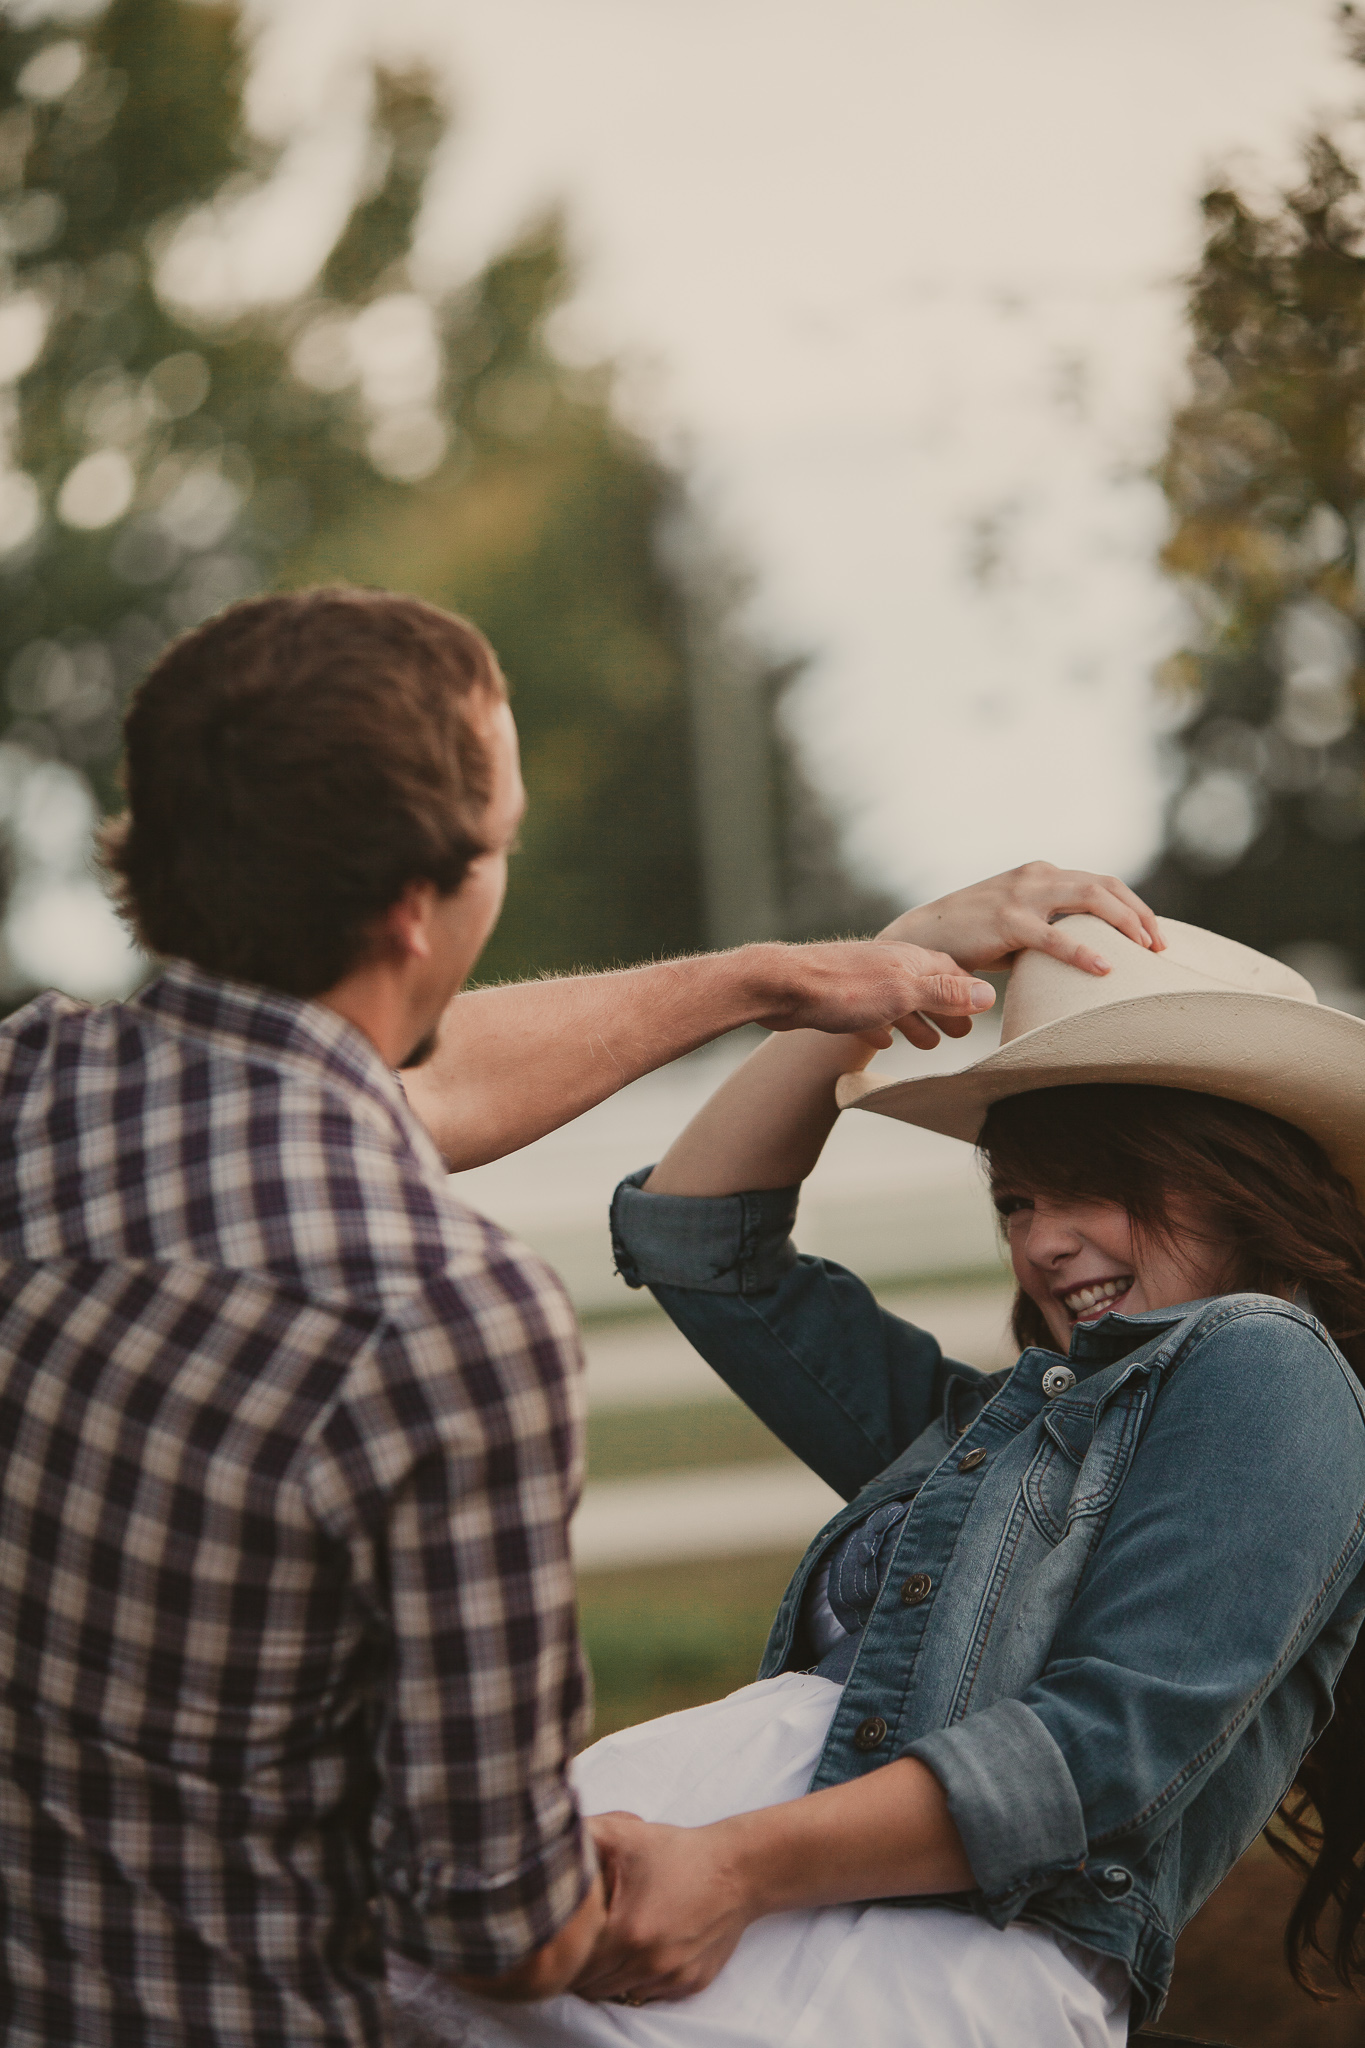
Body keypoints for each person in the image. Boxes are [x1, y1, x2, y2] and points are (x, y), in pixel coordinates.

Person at [0, 586, 1135, 2048]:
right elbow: (498, 1925)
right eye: (503, 843)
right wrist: (709, 1875)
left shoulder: (34, 1091)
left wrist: (776, 978)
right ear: (420, 905)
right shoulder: (442, 1321)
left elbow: (371, 1076)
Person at [400, 901, 1365, 2046]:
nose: (1042, 1239)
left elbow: (1093, 1753)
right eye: (1018, 1197)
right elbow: (695, 1241)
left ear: (1233, 1177)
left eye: (1094, 1184)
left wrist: (728, 1866)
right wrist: (865, 976)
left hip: (892, 1959)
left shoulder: (1269, 1361)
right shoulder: (988, 1437)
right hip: (782, 1915)